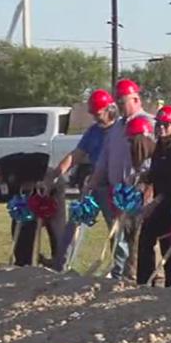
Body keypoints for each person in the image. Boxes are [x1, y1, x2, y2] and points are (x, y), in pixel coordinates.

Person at [86, 79, 152, 279]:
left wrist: (148, 186)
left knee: (137, 239)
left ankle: (138, 277)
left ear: (135, 98)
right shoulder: (116, 128)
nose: (120, 107)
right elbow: (105, 157)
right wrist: (94, 180)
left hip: (138, 191)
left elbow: (152, 159)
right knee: (118, 236)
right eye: (118, 103)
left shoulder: (148, 123)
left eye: (123, 102)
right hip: (117, 192)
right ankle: (121, 273)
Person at [51, 89, 118, 270]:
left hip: (113, 188)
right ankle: (61, 266)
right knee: (73, 224)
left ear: (109, 109)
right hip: (93, 186)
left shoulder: (120, 130)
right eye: (94, 114)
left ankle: (120, 270)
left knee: (116, 230)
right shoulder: (93, 132)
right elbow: (77, 155)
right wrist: (57, 172)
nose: (96, 117)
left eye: (98, 113)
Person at [135, 106, 171, 287]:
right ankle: (144, 282)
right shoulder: (159, 147)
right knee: (145, 239)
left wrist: (155, 202)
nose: (162, 128)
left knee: (168, 244)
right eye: (159, 124)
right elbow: (157, 173)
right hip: (160, 202)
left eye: (166, 125)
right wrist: (145, 178)